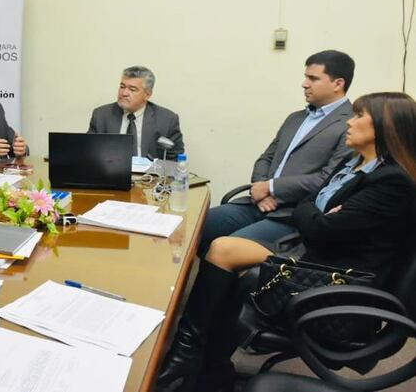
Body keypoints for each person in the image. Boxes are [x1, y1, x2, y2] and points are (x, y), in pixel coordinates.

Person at [156, 92, 416, 391]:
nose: (350, 121)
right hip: (314, 254)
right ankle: (198, 359)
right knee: (225, 253)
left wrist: (315, 215)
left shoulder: (391, 182)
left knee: (227, 258)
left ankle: (192, 359)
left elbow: (320, 229)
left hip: (337, 277)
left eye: (359, 116)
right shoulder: (353, 163)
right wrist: (316, 213)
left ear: (386, 127)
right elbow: (309, 205)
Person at [198, 50, 355, 256]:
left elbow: (328, 179)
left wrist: (271, 187)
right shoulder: (296, 118)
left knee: (226, 247)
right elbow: (266, 158)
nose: (304, 83)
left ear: (338, 84)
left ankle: (212, 288)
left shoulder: (351, 123)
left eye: (313, 78)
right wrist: (259, 188)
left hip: (291, 215)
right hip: (257, 203)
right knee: (197, 225)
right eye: (305, 76)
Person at [88, 65, 184, 159]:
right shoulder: (101, 115)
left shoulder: (167, 120)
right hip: (110, 173)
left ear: (147, 95)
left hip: (149, 174)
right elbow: (89, 152)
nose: (124, 93)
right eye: (122, 87)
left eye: (132, 89)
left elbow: (175, 160)